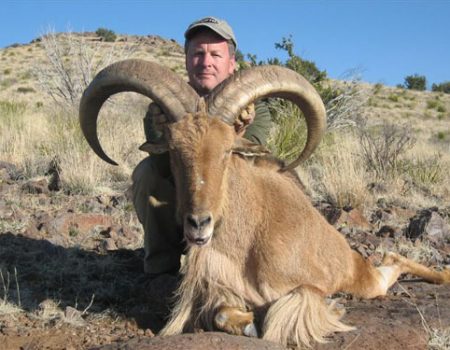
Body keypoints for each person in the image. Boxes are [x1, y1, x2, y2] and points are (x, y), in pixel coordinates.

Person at [132, 16, 272, 277]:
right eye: (198, 53)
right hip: (184, 207)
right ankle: (160, 272)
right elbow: (162, 167)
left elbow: (255, 165)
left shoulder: (253, 108)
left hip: (234, 216)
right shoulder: (164, 109)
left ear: (232, 63)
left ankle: (236, 269)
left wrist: (238, 132)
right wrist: (164, 130)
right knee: (147, 173)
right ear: (186, 61)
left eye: (216, 55)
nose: (206, 62)